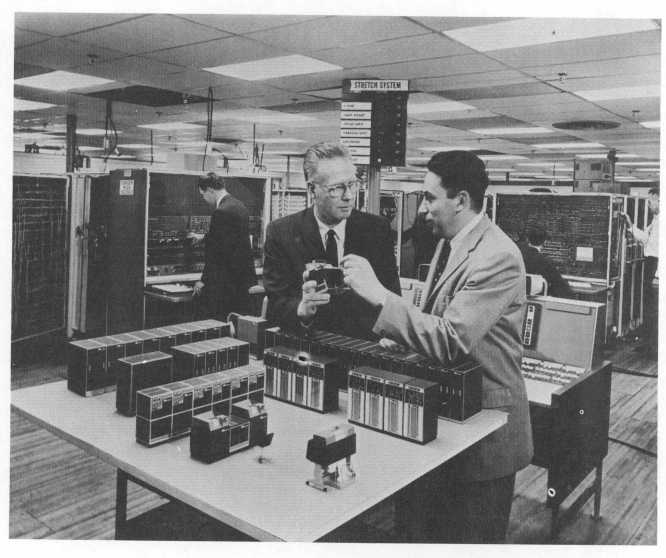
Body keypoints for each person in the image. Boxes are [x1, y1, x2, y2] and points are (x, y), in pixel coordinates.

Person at [341, 150, 533, 543]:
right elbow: (439, 320)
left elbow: (450, 338)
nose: (423, 209)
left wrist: (379, 294)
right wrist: (403, 342)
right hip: (448, 419)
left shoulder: (497, 256)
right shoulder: (450, 243)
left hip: (485, 432)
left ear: (461, 200)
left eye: (430, 198)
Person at [263, 142, 400, 339]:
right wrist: (301, 310)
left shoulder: (376, 230)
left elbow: (392, 295)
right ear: (312, 189)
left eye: (352, 184)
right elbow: (276, 303)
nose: (349, 196)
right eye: (336, 188)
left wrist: (392, 336)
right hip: (308, 345)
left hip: (364, 346)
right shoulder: (281, 233)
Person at [192, 172, 256, 320]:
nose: (204, 199)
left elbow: (216, 254)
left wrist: (203, 281)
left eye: (203, 195)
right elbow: (229, 239)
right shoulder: (239, 206)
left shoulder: (221, 212)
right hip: (241, 281)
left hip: (224, 284)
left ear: (210, 190)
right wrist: (204, 237)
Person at [624, 188, 659, 357]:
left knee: (653, 307)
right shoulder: (656, 220)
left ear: (660, 200)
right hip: (651, 263)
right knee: (649, 306)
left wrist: (657, 276)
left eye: (651, 201)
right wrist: (630, 225)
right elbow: (646, 239)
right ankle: (648, 344)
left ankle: (653, 347)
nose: (649, 205)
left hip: (656, 265)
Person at [519, 224, 573, 298]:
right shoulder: (545, 261)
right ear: (544, 242)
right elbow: (559, 284)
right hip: (537, 299)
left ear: (527, 239)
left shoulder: (518, 256)